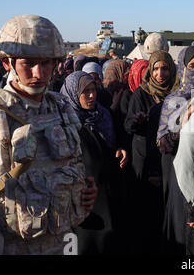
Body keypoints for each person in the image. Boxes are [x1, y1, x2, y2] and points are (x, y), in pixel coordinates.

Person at [0, 14, 97, 255]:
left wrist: (85, 191)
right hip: (16, 245)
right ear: (7, 63)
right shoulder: (1, 112)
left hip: (64, 240)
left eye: (46, 63)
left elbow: (74, 165)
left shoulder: (61, 106)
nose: (39, 73)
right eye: (28, 63)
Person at [60, 71, 128, 254]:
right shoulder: (64, 124)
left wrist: (118, 150)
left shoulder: (103, 114)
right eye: (85, 92)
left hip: (107, 192)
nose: (91, 95)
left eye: (93, 90)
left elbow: (109, 145)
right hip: (80, 199)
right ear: (73, 94)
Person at [157, 45, 194, 255]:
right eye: (192, 65)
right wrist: (182, 123)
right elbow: (163, 145)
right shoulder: (173, 101)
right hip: (181, 181)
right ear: (183, 68)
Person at [124, 51, 176, 253]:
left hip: (169, 157)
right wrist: (139, 121)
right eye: (155, 69)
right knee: (148, 209)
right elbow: (127, 125)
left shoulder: (177, 92)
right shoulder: (142, 93)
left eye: (164, 68)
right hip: (145, 157)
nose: (160, 73)